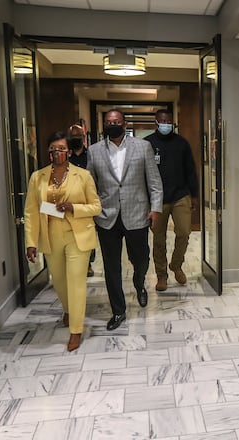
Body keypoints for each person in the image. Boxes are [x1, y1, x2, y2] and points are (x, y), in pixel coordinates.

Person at [24, 131, 101, 351]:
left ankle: (76, 330)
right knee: (59, 281)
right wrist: (30, 242)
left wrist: (72, 208)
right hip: (50, 236)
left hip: (77, 235)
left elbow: (96, 206)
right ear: (48, 152)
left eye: (61, 148)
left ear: (68, 151)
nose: (57, 152)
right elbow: (30, 211)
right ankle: (68, 310)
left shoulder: (83, 175)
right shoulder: (37, 177)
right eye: (53, 149)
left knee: (76, 282)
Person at [86, 109, 163, 330]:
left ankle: (139, 283)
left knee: (141, 259)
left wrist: (155, 208)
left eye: (116, 121)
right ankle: (118, 311)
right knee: (112, 267)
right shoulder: (94, 151)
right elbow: (90, 185)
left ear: (124, 123)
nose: (112, 124)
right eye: (108, 122)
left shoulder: (142, 147)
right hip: (106, 216)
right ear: (104, 124)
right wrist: (92, 210)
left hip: (137, 213)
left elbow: (155, 182)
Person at [144, 109, 199, 291]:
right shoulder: (148, 144)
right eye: (163, 121)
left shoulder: (181, 143)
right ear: (156, 123)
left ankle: (176, 265)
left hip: (180, 195)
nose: (166, 123)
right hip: (157, 199)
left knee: (184, 232)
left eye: (169, 121)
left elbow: (191, 169)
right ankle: (161, 275)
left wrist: (195, 195)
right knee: (158, 239)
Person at [67, 123, 95, 277]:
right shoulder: (65, 155)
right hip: (68, 200)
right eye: (73, 137)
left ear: (84, 138)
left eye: (79, 137)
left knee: (87, 233)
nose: (76, 139)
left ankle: (88, 263)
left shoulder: (91, 155)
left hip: (86, 201)